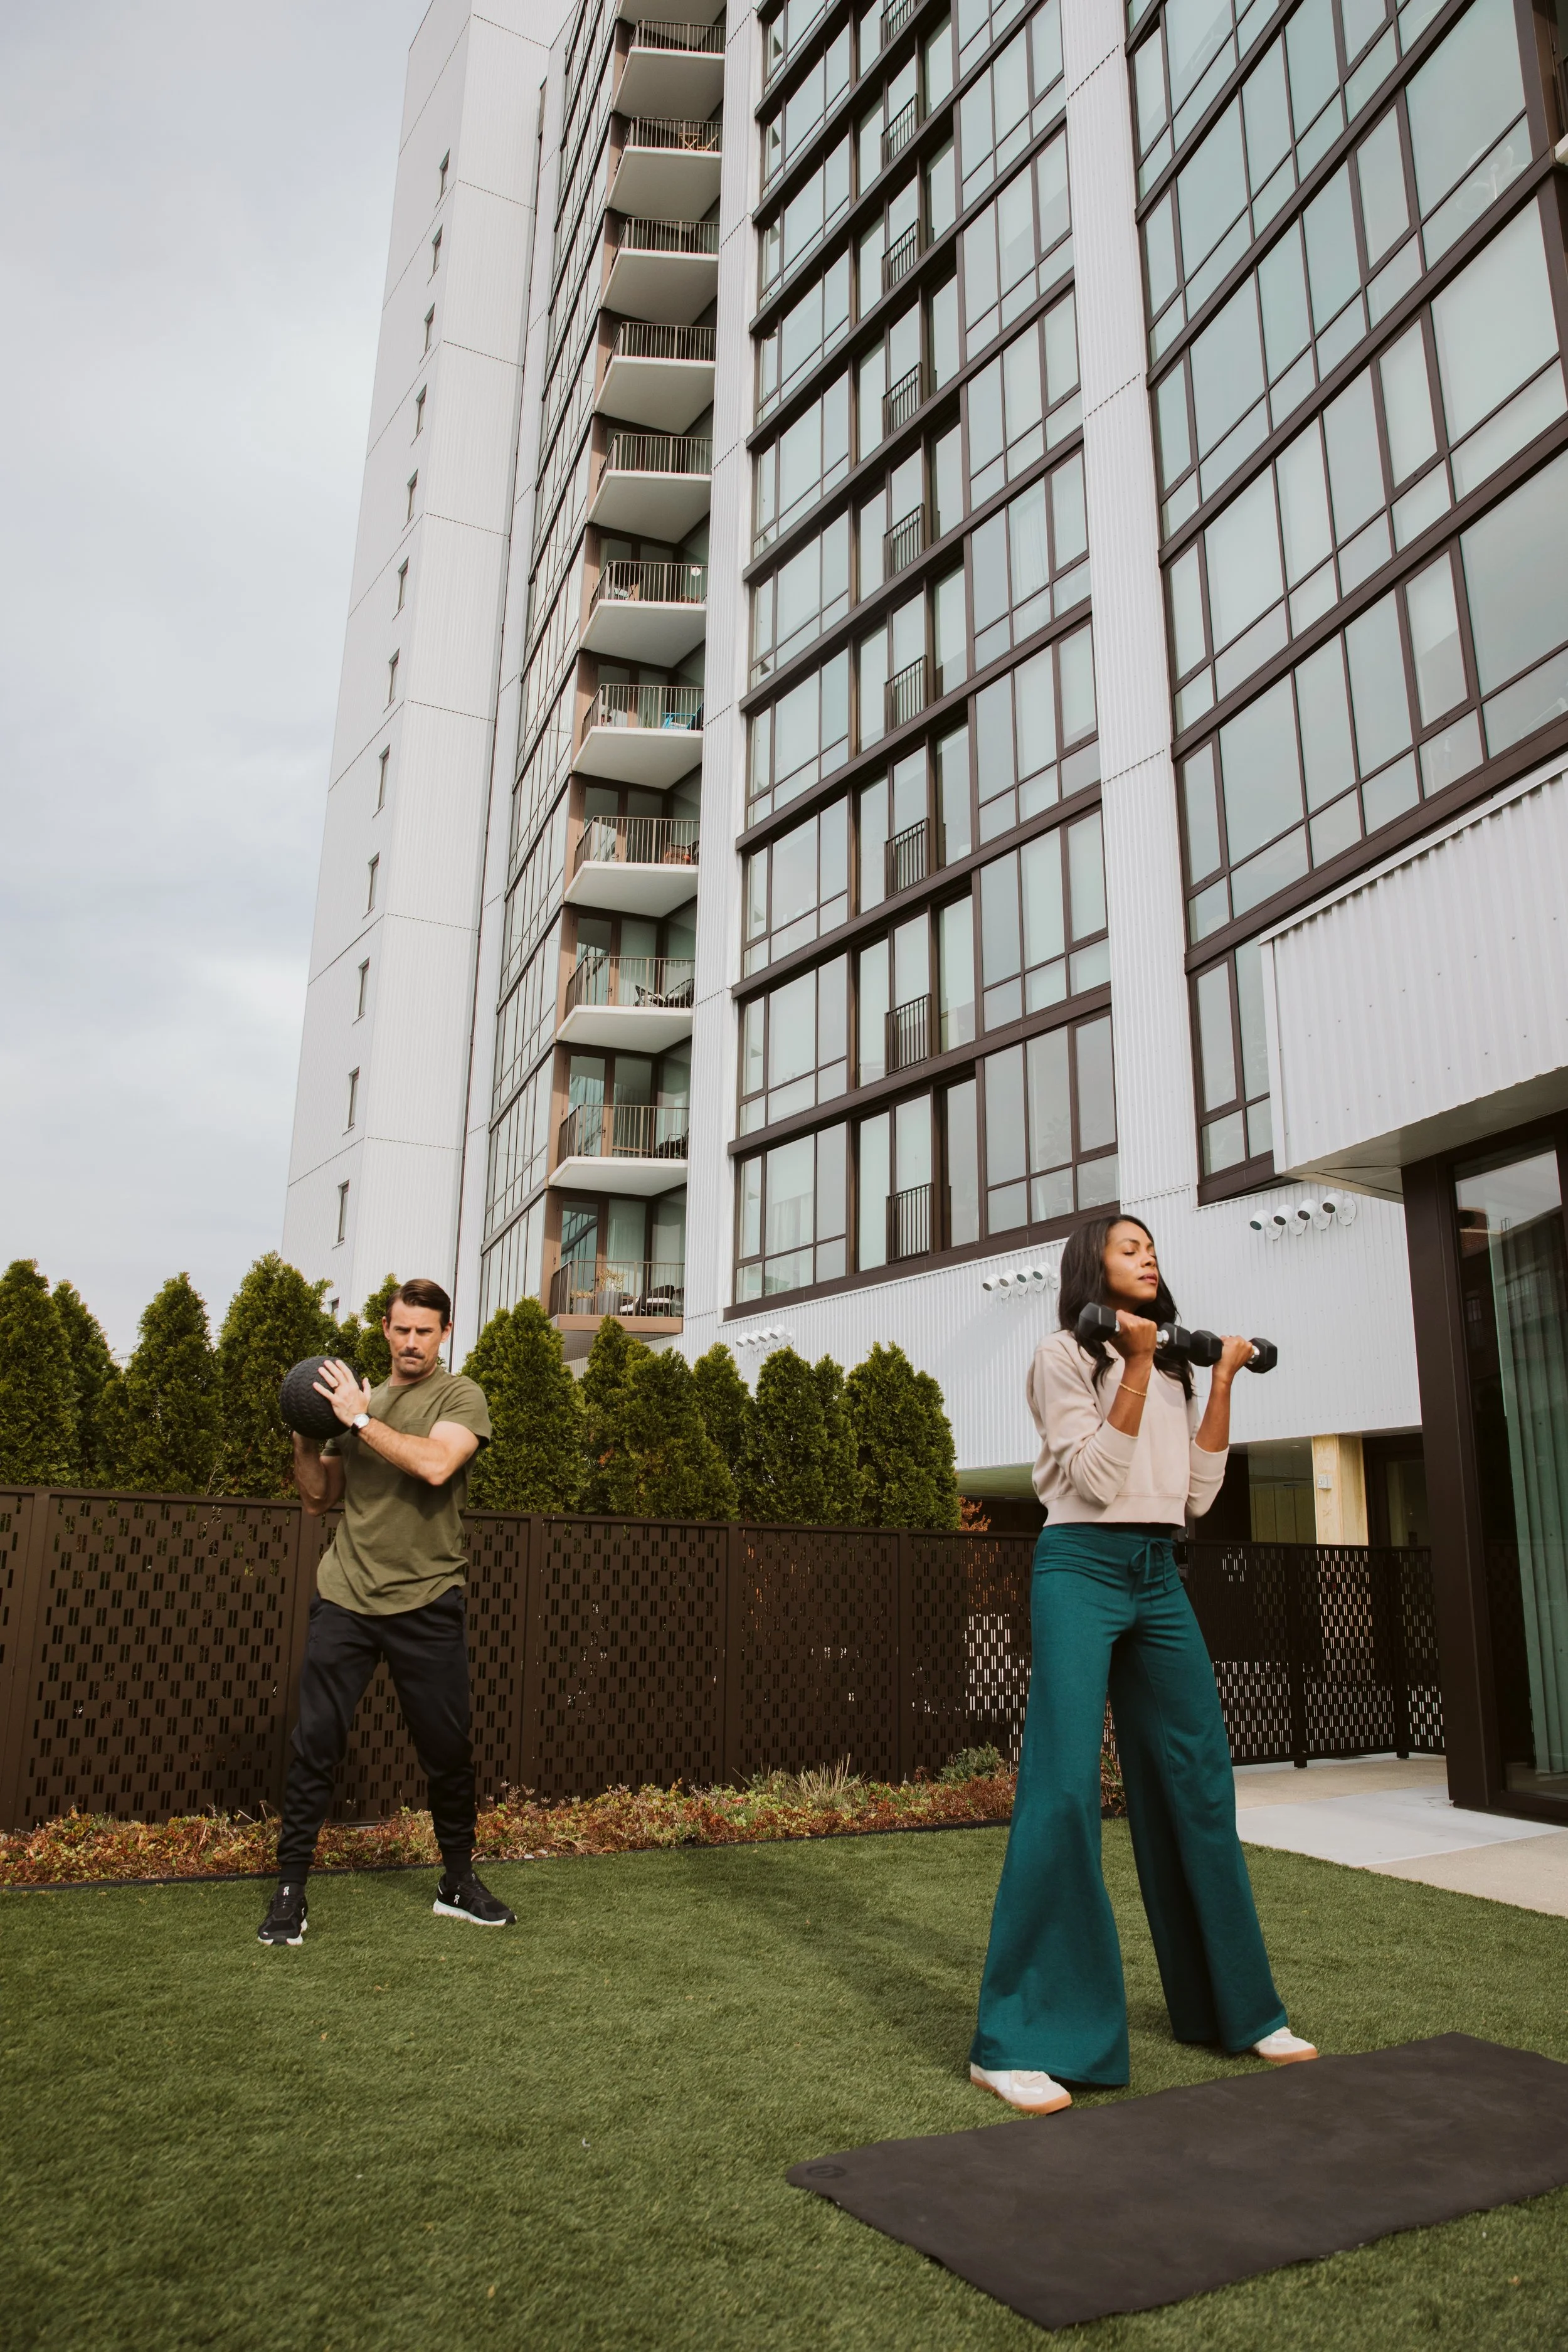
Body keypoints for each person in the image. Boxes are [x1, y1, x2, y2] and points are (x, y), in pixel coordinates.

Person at [968, 1215, 1316, 2112]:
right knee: (1064, 1787)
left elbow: (1195, 1493)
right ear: (1094, 1266)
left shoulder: (1170, 1364)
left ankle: (1232, 2007)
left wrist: (1223, 1377)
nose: (1148, 1256)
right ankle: (1018, 2038)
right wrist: (1127, 1362)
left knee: (1199, 1778)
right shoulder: (1062, 1354)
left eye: (1152, 1247)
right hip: (1080, 1568)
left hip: (1161, 1574)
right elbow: (1090, 1478)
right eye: (1130, 1247)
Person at [257, 1277, 516, 1945]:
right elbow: (318, 1499)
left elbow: (435, 1466)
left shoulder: (459, 1396)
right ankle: (290, 1892)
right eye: (401, 1330)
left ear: (444, 1335)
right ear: (384, 1328)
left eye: (424, 1332)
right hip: (345, 1594)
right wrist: (305, 1436)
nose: (410, 1343)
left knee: (447, 1751)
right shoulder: (359, 1403)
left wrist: (359, 1420)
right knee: (314, 1745)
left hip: (426, 1597)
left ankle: (457, 1881)